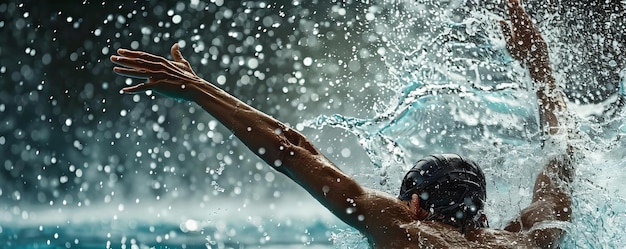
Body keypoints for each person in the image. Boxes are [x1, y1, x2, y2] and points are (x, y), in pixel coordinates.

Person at [111, 0, 573, 247]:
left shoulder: (403, 230)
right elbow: (560, 162)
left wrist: (195, 87)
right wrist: (540, 65)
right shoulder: (530, 241)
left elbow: (291, 151)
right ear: (481, 210)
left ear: (413, 203)